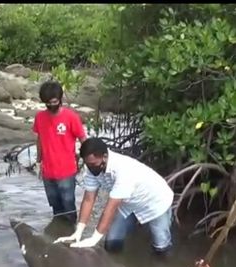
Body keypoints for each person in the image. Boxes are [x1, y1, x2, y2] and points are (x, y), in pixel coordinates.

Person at [55, 137, 174, 255]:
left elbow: (111, 207)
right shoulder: (93, 169)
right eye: (87, 164)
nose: (90, 168)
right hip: (129, 203)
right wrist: (78, 231)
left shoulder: (122, 170)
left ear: (104, 157)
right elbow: (88, 199)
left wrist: (94, 239)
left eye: (93, 164)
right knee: (112, 242)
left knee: (161, 246)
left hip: (155, 202)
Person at [32, 80, 87, 224]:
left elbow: (83, 139)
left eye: (54, 102)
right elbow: (40, 139)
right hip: (47, 171)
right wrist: (38, 161)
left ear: (60, 99)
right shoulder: (40, 117)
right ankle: (57, 234)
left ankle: (72, 234)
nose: (51, 106)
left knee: (69, 206)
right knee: (55, 207)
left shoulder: (71, 117)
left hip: (67, 171)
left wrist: (87, 160)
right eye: (47, 103)